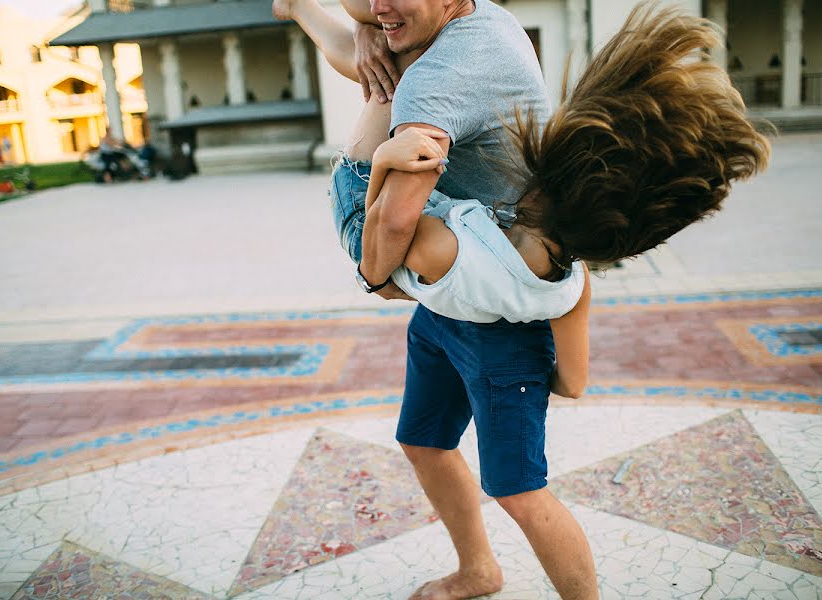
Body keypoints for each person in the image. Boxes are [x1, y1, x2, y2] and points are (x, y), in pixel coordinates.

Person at [277, 1, 770, 599]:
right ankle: (479, 570)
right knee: (427, 443)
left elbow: (388, 242)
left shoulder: (461, 243)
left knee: (516, 489)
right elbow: (574, 383)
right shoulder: (573, 283)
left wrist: (381, 172)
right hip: (463, 327)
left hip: (483, 333)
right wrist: (537, 352)